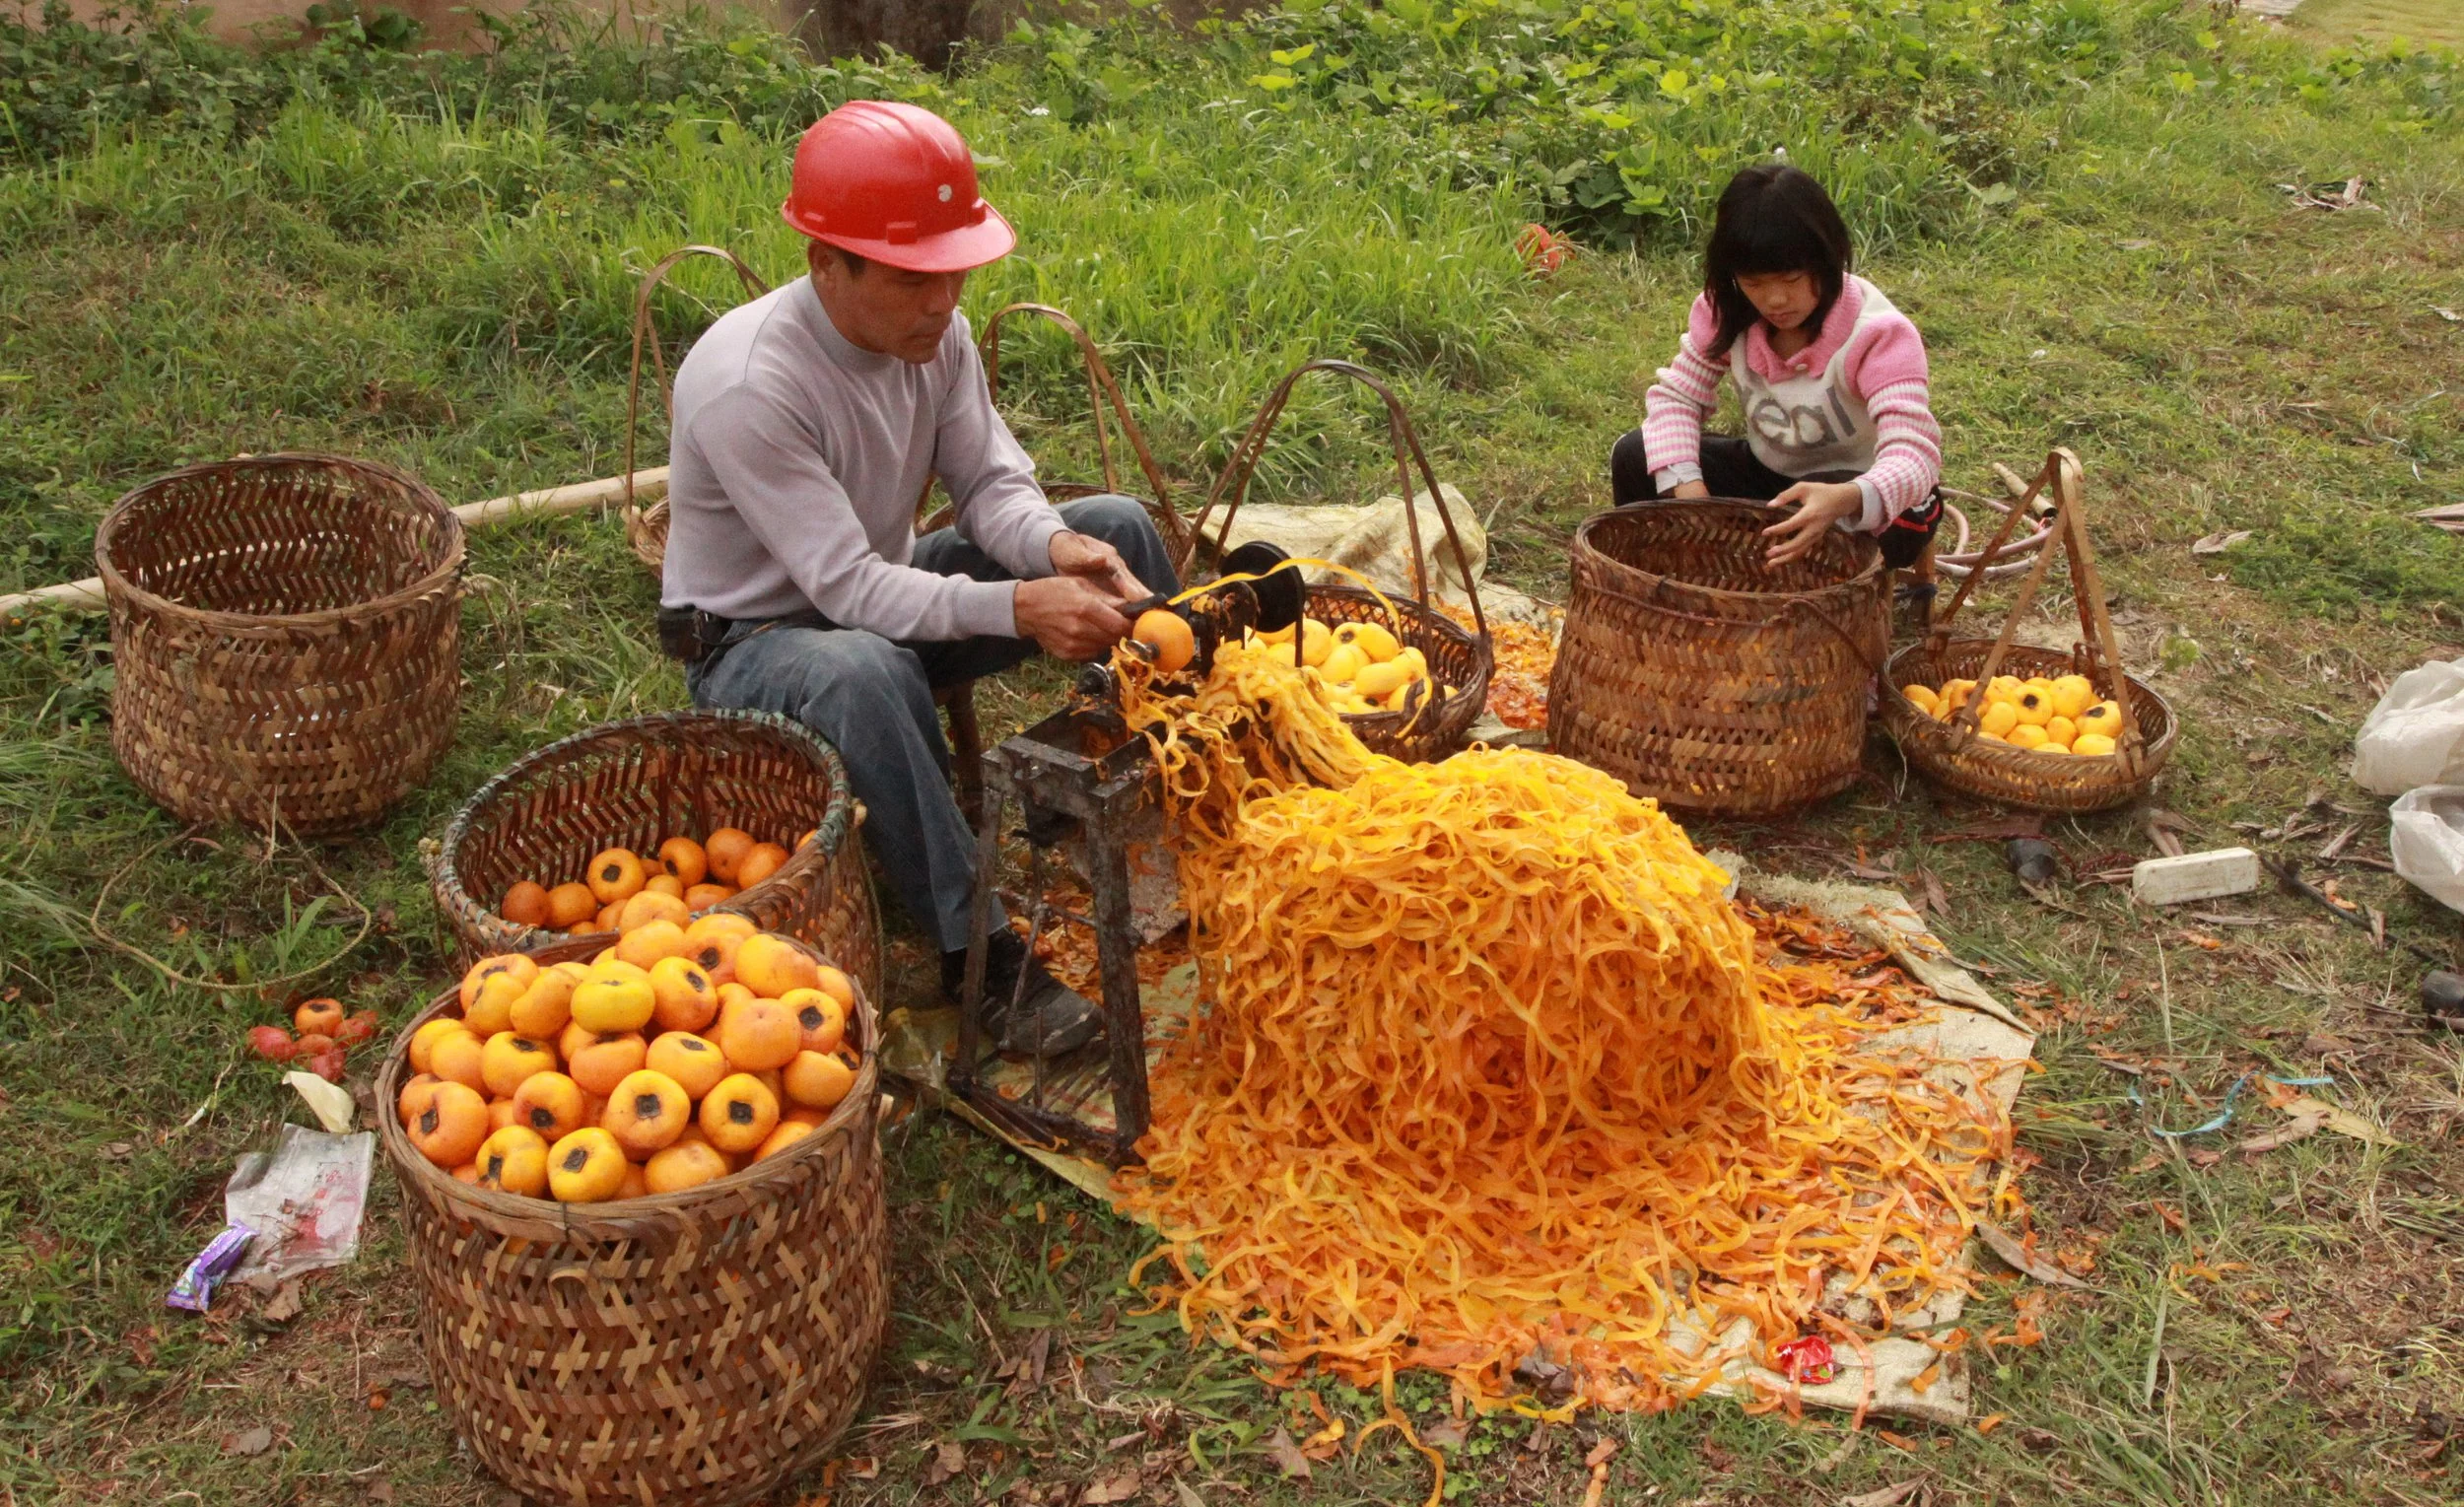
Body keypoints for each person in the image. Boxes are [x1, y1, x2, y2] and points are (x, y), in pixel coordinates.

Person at [656, 101, 1180, 1058]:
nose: (941, 301)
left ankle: (1168, 805)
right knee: (865, 669)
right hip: (752, 643)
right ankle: (975, 951)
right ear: (826, 264)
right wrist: (1017, 603)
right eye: (911, 277)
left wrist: (1053, 549)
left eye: (955, 272)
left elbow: (987, 483)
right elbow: (847, 589)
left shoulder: (934, 334)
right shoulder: (749, 383)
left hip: (881, 594)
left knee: (1116, 525)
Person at [1610, 163, 1944, 580]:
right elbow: (1677, 398)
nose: (1774, 300)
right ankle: (1667, 580)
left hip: (1865, 491)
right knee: (1636, 455)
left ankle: (1782, 582)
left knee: (1830, 531)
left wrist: (1847, 496)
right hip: (1774, 477)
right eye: (1753, 282)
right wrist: (1690, 492)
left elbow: (1915, 454)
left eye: (1791, 278)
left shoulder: (1878, 335)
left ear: (1827, 258)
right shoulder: (1728, 312)